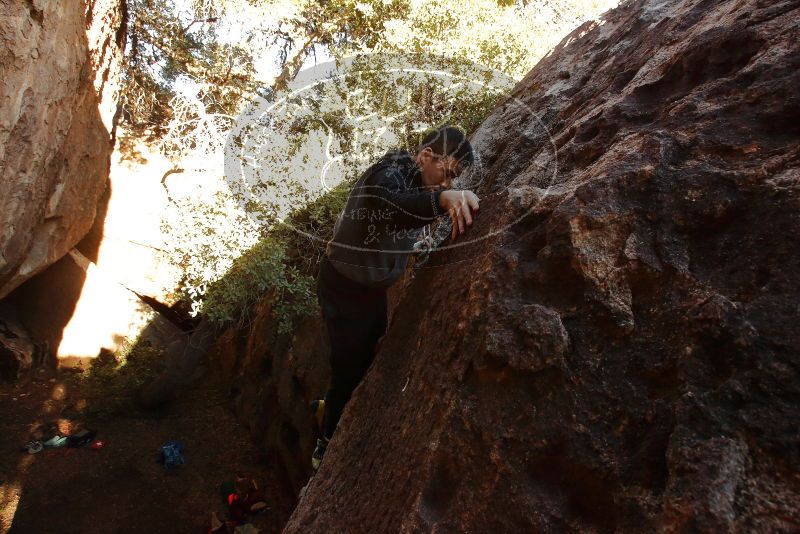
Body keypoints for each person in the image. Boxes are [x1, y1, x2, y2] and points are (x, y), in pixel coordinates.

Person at [311, 126, 479, 469]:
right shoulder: (390, 170)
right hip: (343, 289)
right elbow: (392, 207)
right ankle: (325, 443)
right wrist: (442, 200)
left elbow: (399, 223)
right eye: (445, 174)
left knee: (371, 349)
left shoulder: (421, 181)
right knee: (348, 370)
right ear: (426, 155)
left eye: (453, 180)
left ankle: (329, 406)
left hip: (370, 290)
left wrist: (412, 246)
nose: (446, 184)